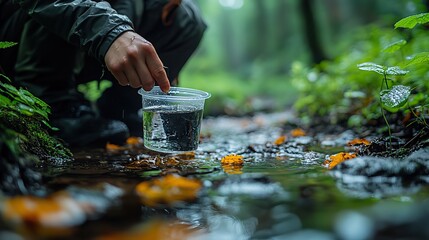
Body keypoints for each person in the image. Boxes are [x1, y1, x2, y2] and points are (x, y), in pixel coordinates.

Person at [0, 0, 206, 147]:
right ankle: (54, 105)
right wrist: (109, 31)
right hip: (13, 37)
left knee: (188, 18)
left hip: (99, 41)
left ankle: (121, 110)